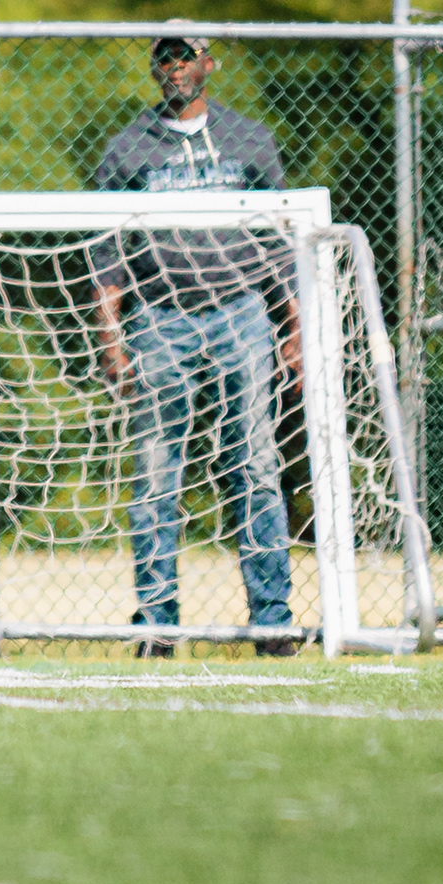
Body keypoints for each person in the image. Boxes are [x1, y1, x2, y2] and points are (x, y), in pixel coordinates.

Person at [93, 33, 302, 657]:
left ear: (209, 63)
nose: (175, 67)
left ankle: (272, 621)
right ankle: (157, 626)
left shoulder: (249, 140)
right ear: (153, 68)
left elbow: (279, 242)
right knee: (157, 473)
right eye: (165, 57)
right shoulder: (128, 149)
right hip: (160, 319)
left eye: (186, 56)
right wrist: (111, 338)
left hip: (240, 314)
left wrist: (293, 329)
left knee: (255, 465)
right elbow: (106, 251)